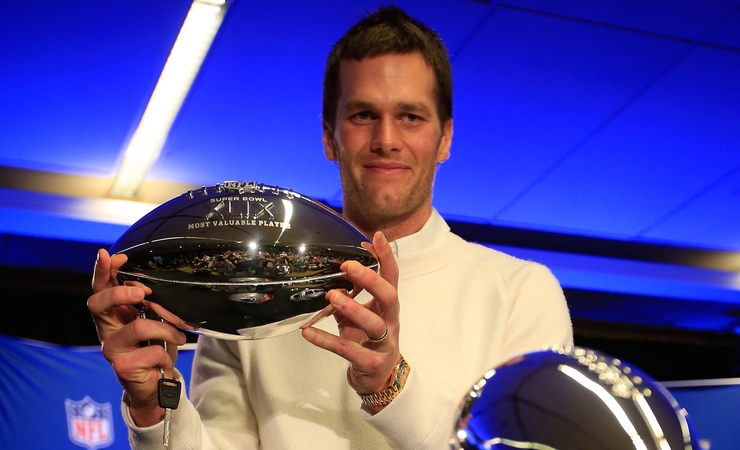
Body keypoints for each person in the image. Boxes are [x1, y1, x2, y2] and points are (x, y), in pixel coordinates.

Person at [88, 6, 572, 449]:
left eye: (410, 116)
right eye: (363, 115)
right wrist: (151, 407)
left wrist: (392, 387)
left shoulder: (522, 292)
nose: (386, 139)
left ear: (444, 137)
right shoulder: (246, 288)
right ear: (329, 136)